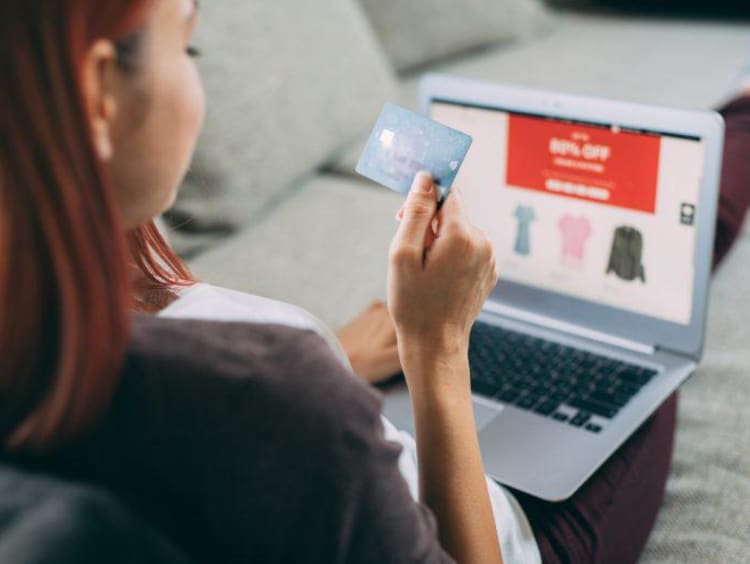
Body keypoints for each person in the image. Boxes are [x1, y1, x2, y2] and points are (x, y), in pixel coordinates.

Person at [0, 1, 748, 563]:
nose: (198, 78)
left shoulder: (51, 326)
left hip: (360, 403)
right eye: (187, 44)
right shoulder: (278, 399)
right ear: (100, 91)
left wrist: (335, 354)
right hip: (490, 526)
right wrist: (437, 345)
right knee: (662, 295)